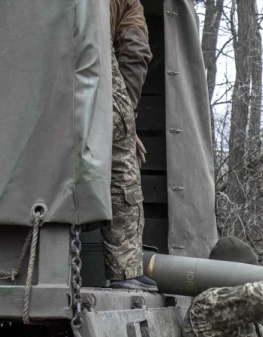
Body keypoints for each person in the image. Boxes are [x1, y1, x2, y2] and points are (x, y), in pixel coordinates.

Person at [103, 0, 157, 291]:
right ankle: (124, 272)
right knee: (122, 161)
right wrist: (126, 121)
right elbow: (135, 51)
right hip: (92, 54)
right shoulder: (127, 3)